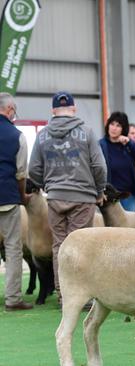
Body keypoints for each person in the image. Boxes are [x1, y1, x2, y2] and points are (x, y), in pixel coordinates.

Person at [29, 91, 107, 304]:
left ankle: (64, 294)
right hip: (83, 197)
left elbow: (33, 169)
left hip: (54, 197)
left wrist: (48, 185)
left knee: (60, 246)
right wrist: (99, 190)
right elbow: (99, 166)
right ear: (73, 109)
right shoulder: (87, 132)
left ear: (53, 111)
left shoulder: (42, 135)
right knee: (81, 245)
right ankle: (82, 296)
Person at [0, 93, 32, 311]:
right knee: (12, 248)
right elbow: (21, 174)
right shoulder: (17, 136)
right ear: (10, 109)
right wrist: (23, 197)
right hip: (7, 198)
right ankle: (13, 299)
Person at [99, 112, 135, 212]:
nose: (114, 128)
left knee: (128, 227)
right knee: (111, 226)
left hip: (128, 195)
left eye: (118, 125)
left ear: (123, 128)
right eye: (112, 124)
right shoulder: (101, 145)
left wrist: (130, 143)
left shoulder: (128, 145)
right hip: (110, 196)